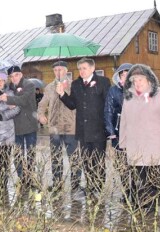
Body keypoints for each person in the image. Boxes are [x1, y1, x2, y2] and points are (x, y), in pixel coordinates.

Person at [119, 64, 160, 211]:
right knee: (140, 180)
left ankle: (152, 208)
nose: (137, 83)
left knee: (154, 181)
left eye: (140, 80)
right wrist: (123, 142)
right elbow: (123, 120)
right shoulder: (128, 96)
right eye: (134, 80)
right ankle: (142, 205)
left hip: (156, 146)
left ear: (149, 80)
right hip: (135, 147)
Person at [57, 57, 111, 200]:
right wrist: (62, 94)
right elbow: (72, 104)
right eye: (79, 69)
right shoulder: (76, 84)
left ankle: (99, 189)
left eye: (84, 68)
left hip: (99, 130)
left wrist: (109, 127)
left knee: (98, 161)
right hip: (83, 130)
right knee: (87, 162)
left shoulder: (103, 82)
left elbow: (108, 106)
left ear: (93, 68)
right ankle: (90, 187)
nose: (81, 71)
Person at [37, 61, 77, 198]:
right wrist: (41, 114)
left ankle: (76, 186)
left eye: (60, 69)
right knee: (55, 158)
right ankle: (57, 184)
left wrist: (64, 90)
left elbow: (76, 103)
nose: (58, 72)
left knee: (74, 158)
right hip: (54, 128)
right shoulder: (49, 87)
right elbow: (42, 104)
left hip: (71, 127)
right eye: (55, 70)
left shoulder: (74, 85)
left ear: (66, 70)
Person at [0, 65, 38, 190]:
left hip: (29, 125)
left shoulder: (29, 85)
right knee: (17, 155)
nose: (13, 78)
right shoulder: (8, 87)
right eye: (11, 76)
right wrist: (5, 102)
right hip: (14, 127)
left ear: (21, 74)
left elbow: (24, 100)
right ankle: (22, 178)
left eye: (16, 75)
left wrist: (9, 99)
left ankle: (30, 178)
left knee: (30, 154)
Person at [104, 63, 132, 149]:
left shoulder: (139, 89)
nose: (125, 77)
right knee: (121, 158)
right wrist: (111, 132)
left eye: (127, 75)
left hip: (136, 130)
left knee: (137, 159)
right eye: (122, 75)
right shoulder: (113, 90)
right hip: (119, 131)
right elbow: (108, 111)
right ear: (119, 77)